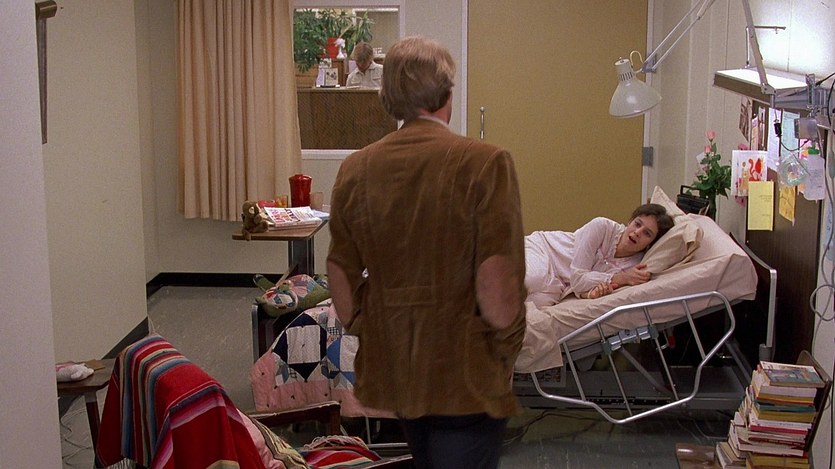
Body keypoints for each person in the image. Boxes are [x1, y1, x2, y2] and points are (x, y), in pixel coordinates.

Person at [327, 36, 526, 469]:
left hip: (396, 363)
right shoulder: (486, 163)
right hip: (465, 373)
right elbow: (497, 288)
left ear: (390, 98)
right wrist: (507, 352)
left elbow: (339, 269)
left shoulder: (355, 169)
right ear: (446, 93)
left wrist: (363, 324)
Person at [525, 203, 674, 307]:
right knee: (533, 278)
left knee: (533, 311)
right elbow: (578, 278)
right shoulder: (602, 226)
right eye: (637, 224)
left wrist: (590, 294)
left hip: (559, 285)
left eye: (647, 233)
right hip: (545, 250)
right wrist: (621, 278)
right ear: (630, 221)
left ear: (650, 244)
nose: (637, 232)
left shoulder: (635, 267)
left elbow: (580, 288)